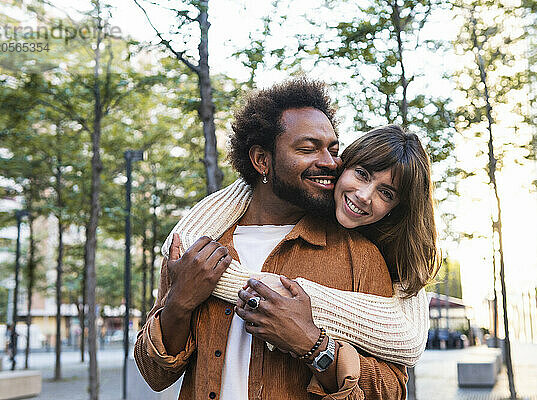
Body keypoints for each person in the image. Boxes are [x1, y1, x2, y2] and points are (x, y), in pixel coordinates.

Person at [135, 78, 436, 399]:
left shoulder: (361, 256)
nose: (330, 162)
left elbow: (390, 391)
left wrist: (312, 345)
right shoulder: (196, 249)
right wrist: (178, 303)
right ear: (261, 160)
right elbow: (155, 375)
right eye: (308, 149)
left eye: (334, 150)